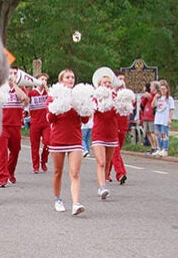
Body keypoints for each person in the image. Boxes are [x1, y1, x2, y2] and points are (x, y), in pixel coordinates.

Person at [46, 71, 88, 215]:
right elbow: (50, 119)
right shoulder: (54, 96)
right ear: (61, 80)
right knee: (58, 172)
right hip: (57, 140)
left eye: (73, 77)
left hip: (75, 139)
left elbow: (85, 120)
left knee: (75, 173)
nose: (71, 79)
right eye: (67, 77)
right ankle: (58, 199)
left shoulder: (78, 95)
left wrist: (84, 107)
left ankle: (76, 203)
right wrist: (56, 106)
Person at [89, 68, 119, 200]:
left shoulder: (116, 97)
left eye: (109, 82)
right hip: (99, 133)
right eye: (104, 82)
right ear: (99, 84)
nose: (107, 84)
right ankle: (102, 187)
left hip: (112, 133)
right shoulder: (95, 98)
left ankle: (103, 183)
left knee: (107, 163)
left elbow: (122, 112)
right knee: (100, 162)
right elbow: (91, 111)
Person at [0, 72, 28, 186]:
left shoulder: (20, 89)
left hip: (15, 125)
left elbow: (24, 99)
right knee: (2, 152)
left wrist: (14, 84)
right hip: (2, 125)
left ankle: (10, 172)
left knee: (15, 150)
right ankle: (2, 178)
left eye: (14, 73)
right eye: (9, 73)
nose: (11, 75)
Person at [26, 74, 50, 173]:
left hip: (46, 123)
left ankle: (43, 160)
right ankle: (35, 166)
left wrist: (46, 87)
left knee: (49, 142)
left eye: (45, 79)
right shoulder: (32, 93)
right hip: (35, 122)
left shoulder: (47, 92)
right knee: (34, 145)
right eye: (42, 79)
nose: (44, 81)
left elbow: (53, 98)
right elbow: (26, 104)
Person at [152, 80, 174, 156]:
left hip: (164, 119)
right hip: (158, 118)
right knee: (157, 134)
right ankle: (159, 148)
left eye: (164, 89)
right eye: (161, 89)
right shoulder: (158, 98)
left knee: (164, 133)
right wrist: (155, 97)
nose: (163, 91)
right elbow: (152, 106)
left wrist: (170, 118)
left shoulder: (169, 99)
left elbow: (171, 109)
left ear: (167, 90)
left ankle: (165, 149)